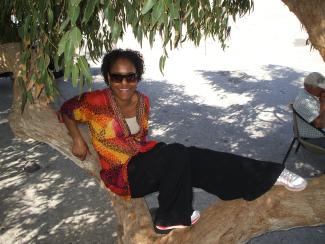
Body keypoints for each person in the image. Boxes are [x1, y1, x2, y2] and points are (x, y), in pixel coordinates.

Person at [59, 49, 307, 234]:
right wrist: (78, 139)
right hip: (122, 175)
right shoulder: (94, 102)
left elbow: (140, 140)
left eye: (131, 77)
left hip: (144, 161)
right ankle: (170, 216)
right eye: (117, 77)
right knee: (176, 153)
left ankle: (267, 175)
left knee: (193, 156)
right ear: (107, 78)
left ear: (138, 77)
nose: (124, 84)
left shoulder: (143, 101)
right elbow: (66, 110)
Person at [293, 72, 325, 147]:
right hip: (314, 138)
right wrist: (323, 102)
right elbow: (320, 124)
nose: (323, 89)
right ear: (310, 87)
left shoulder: (310, 93)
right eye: (321, 88)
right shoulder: (304, 102)